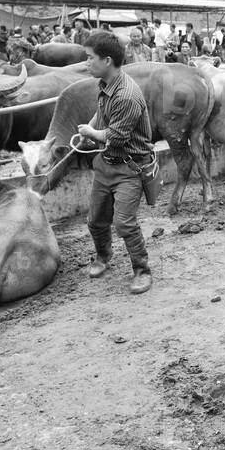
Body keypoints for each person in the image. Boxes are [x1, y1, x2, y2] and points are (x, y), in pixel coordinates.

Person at [76, 30, 155, 295]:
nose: (86, 63)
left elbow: (116, 138)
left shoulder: (127, 95)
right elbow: (102, 117)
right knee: (96, 219)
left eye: (90, 58)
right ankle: (103, 256)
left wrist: (90, 134)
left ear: (107, 61)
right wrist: (91, 127)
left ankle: (142, 270)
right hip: (105, 165)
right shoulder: (106, 85)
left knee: (124, 223)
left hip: (129, 168)